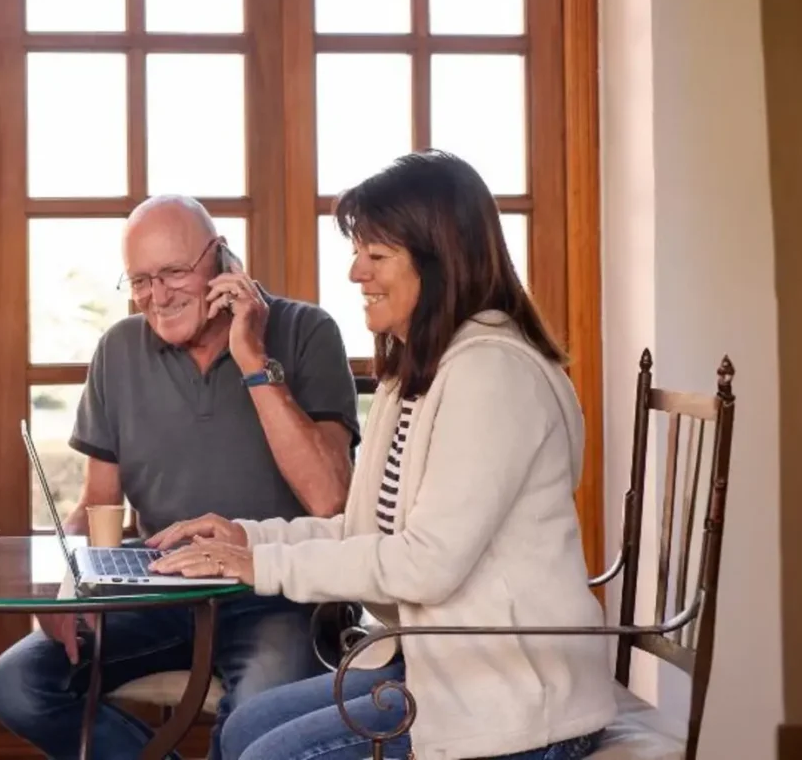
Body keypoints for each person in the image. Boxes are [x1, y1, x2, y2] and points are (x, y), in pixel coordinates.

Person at [147, 150, 618, 760]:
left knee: (267, 755)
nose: (355, 273)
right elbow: (363, 530)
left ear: (439, 260)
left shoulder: (493, 375)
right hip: (439, 669)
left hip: (511, 701)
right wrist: (246, 538)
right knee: (242, 729)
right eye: (357, 252)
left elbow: (425, 564)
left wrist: (258, 566)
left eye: (376, 255)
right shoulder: (417, 371)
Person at [0, 195, 361, 760]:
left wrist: (253, 359)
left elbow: (331, 500)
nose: (157, 297)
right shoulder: (118, 349)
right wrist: (68, 587)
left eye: (173, 272)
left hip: (277, 591)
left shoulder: (307, 331)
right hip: (157, 586)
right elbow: (97, 505)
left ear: (222, 260)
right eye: (140, 281)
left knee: (259, 719)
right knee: (18, 683)